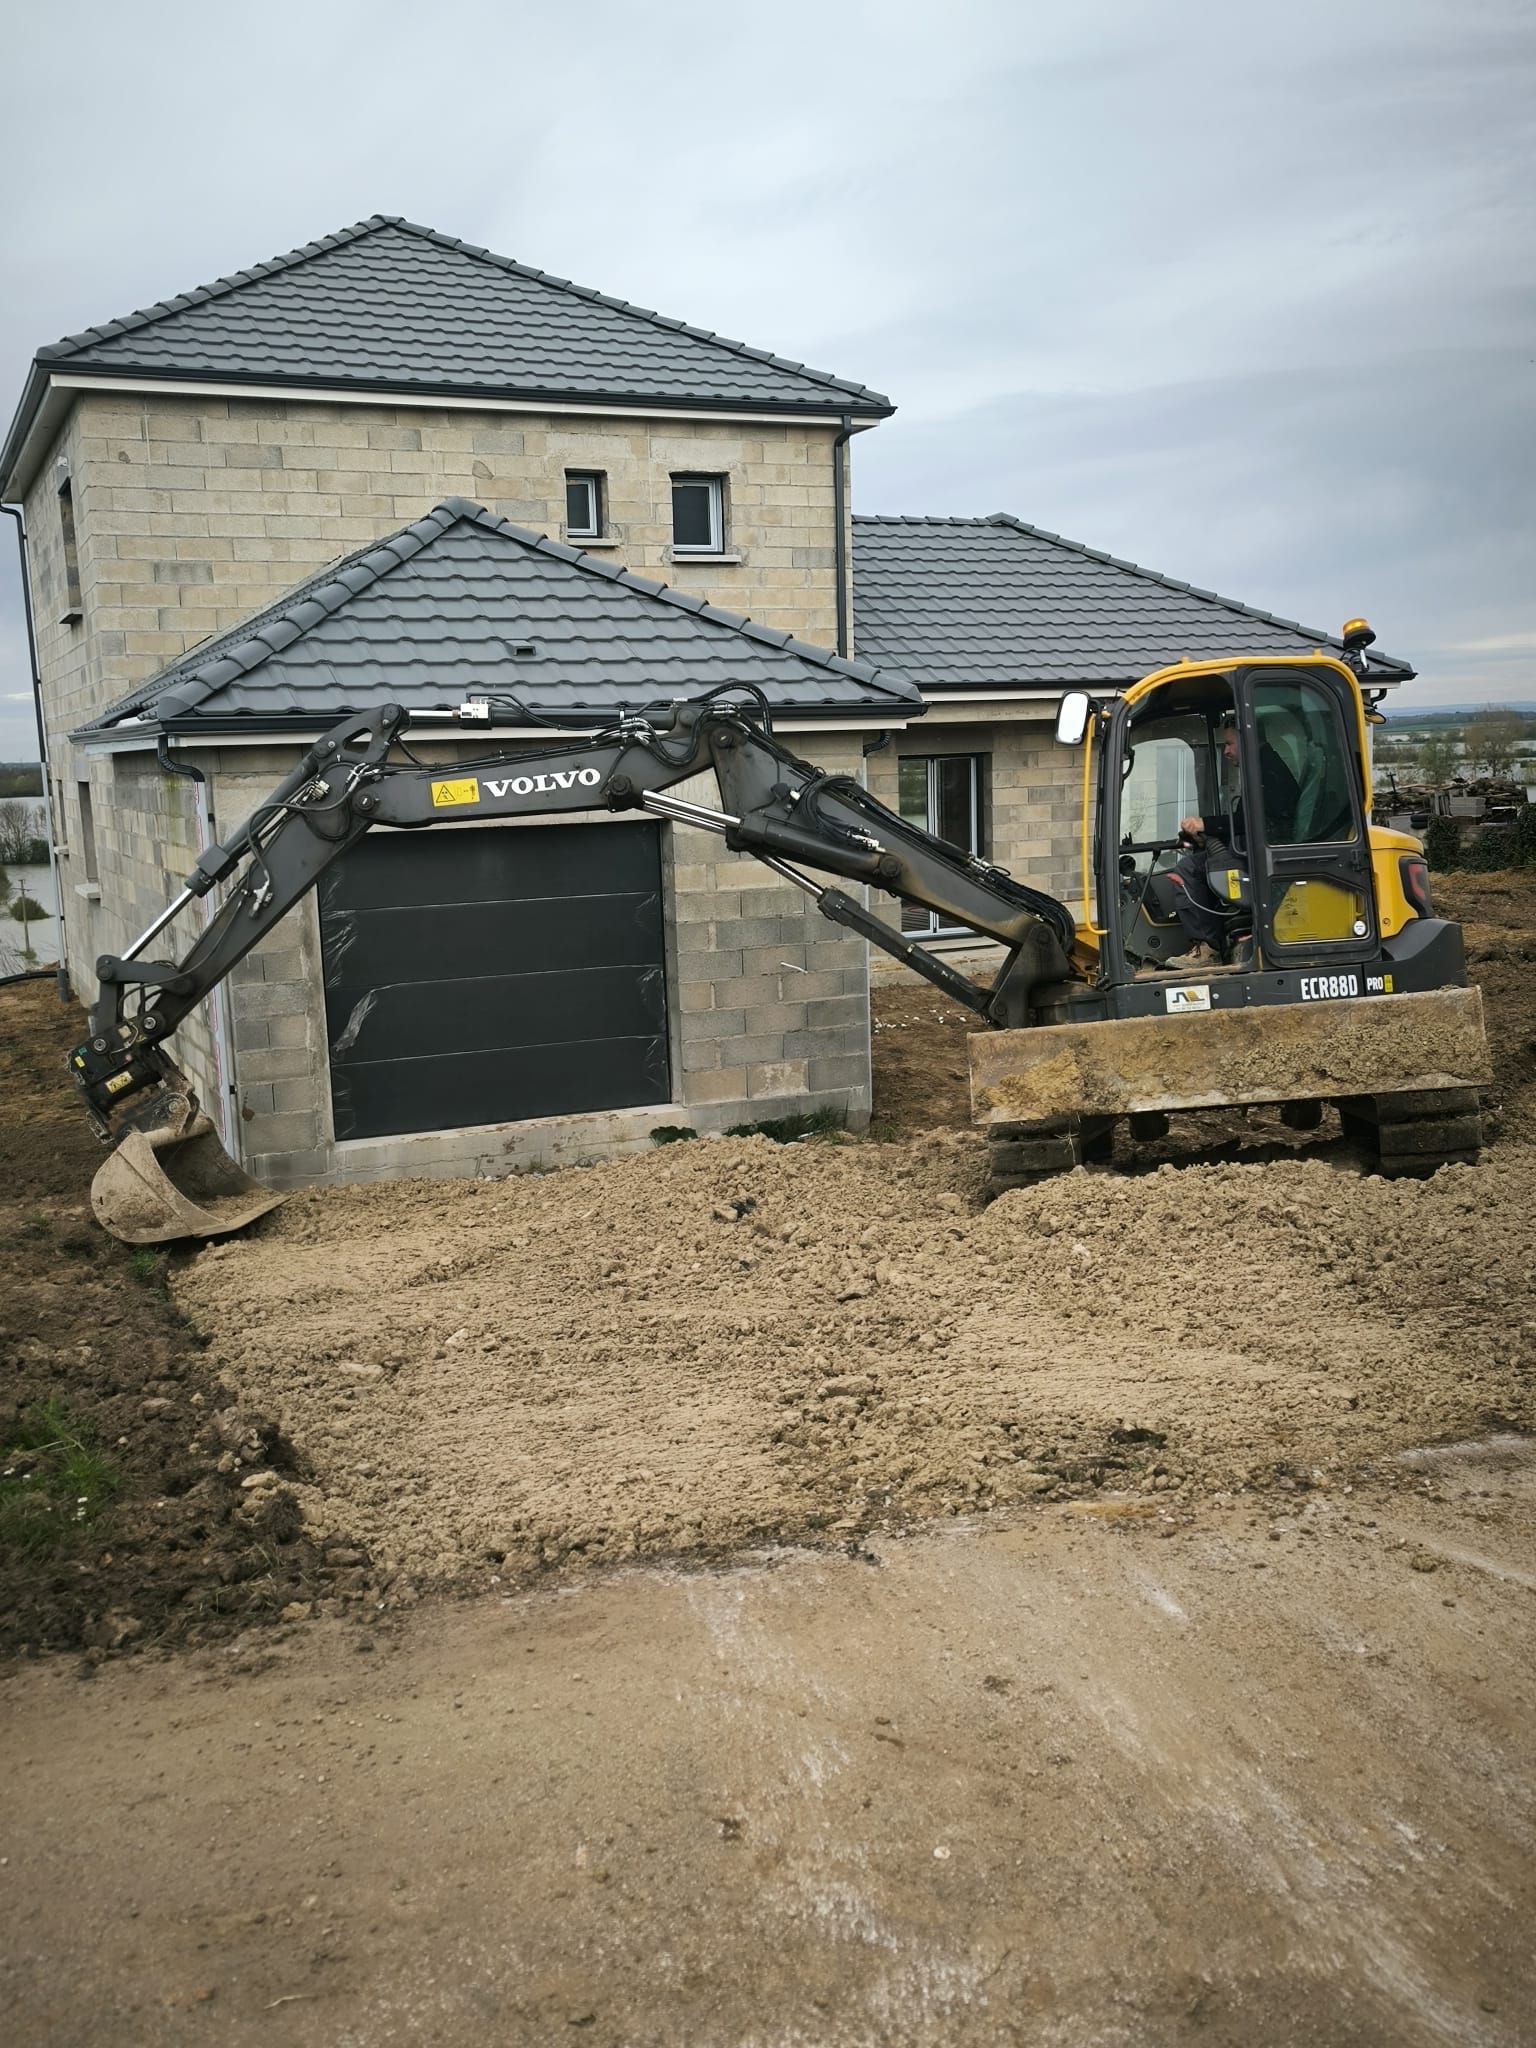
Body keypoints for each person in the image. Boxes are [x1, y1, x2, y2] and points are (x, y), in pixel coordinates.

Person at [1165, 715, 1298, 968]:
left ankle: (1207, 949)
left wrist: (1206, 824)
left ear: (1248, 740)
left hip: (1268, 852)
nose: (1225, 751)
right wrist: (1206, 833)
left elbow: (1257, 822)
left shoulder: (1268, 772)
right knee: (1197, 864)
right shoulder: (1261, 768)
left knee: (1189, 870)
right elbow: (1245, 819)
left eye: (1229, 744)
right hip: (1257, 847)